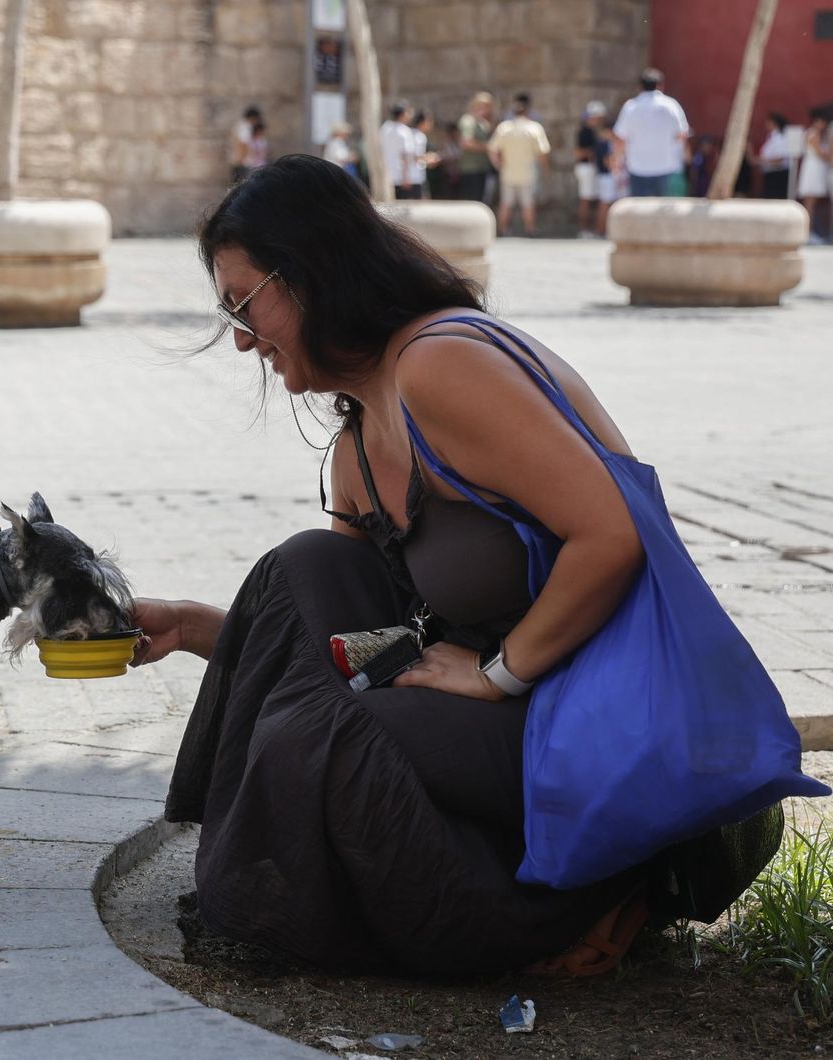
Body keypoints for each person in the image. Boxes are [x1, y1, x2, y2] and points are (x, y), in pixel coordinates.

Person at [132, 154, 783, 976]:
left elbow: (614, 536)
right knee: (295, 573)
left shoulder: (441, 365)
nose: (239, 341)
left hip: (598, 727)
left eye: (243, 304)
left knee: (321, 742)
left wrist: (497, 675)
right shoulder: (357, 445)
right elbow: (359, 646)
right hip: (503, 718)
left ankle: (582, 900)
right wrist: (199, 631)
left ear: (309, 276)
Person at [613, 68, 689, 197]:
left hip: (638, 169)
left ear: (640, 87)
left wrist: (617, 162)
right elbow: (682, 135)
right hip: (667, 168)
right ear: (661, 86)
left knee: (639, 211)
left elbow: (621, 138)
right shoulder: (671, 106)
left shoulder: (630, 107)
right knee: (665, 215)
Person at [489, 94, 550, 237]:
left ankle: (502, 230)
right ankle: (530, 230)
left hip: (508, 171)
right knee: (528, 204)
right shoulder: (534, 128)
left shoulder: (504, 128)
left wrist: (498, 164)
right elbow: (542, 152)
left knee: (506, 202)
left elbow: (492, 148)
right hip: (527, 172)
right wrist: (546, 169)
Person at [575, 102, 609, 238]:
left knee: (591, 199)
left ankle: (592, 230)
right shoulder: (585, 132)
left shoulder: (592, 131)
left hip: (591, 168)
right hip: (586, 168)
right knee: (585, 199)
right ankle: (584, 231)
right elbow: (578, 153)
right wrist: (595, 151)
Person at [455, 92, 496, 202]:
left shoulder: (483, 123)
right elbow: (465, 143)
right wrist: (487, 147)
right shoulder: (468, 120)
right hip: (471, 169)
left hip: (482, 168)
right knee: (472, 202)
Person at [799, 108, 830, 244]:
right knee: (809, 204)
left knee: (811, 203)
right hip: (813, 170)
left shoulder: (812, 133)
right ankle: (808, 234)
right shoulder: (813, 134)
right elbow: (820, 153)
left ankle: (810, 233)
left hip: (814, 169)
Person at [379, 102, 416, 199]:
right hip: (400, 176)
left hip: (385, 175)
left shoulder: (384, 128)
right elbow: (405, 155)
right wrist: (406, 177)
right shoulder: (404, 131)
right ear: (403, 114)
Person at [755, 112, 792, 200]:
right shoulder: (771, 137)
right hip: (770, 174)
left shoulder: (780, 137)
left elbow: (780, 159)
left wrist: (761, 161)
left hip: (778, 175)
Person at [405, 110, 440, 200]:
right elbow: (415, 156)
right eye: (429, 121)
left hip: (411, 177)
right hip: (416, 178)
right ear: (423, 122)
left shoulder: (410, 133)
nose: (431, 125)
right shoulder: (420, 136)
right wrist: (430, 158)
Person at [230, 105, 262, 184]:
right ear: (253, 118)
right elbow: (242, 143)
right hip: (243, 163)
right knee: (241, 187)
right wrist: (241, 159)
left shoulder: (240, 125)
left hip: (238, 161)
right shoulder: (245, 127)